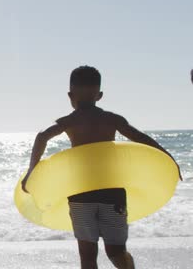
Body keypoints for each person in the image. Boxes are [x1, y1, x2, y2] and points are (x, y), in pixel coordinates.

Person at [22, 66, 182, 269]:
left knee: (87, 256)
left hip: (81, 195)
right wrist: (168, 159)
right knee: (116, 251)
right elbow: (140, 138)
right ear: (100, 95)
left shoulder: (69, 121)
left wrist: (31, 172)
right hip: (112, 194)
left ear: (70, 95)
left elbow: (42, 136)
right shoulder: (111, 119)